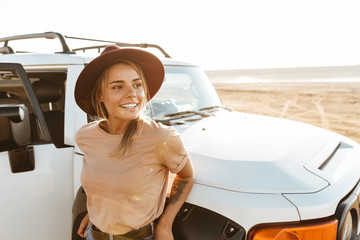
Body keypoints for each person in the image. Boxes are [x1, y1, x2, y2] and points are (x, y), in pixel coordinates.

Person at [74, 45, 194, 240]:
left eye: (137, 84)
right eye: (117, 86)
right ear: (100, 95)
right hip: (92, 235)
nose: (131, 94)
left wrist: (165, 225)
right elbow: (103, 182)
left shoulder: (161, 138)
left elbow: (186, 176)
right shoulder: (85, 136)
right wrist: (95, 214)